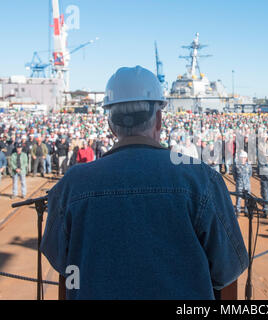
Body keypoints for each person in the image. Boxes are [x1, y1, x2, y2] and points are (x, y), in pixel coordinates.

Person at [40, 66, 248, 299]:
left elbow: (60, 263)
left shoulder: (73, 183)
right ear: (158, 119)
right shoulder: (201, 179)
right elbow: (228, 269)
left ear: (110, 125)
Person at [232, 150, 252, 216]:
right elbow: (234, 174)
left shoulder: (249, 165)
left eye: (244, 157)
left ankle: (246, 210)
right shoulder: (236, 165)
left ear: (246, 158)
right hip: (239, 184)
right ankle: (238, 210)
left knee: (247, 198)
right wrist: (237, 180)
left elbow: (250, 174)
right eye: (242, 157)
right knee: (238, 198)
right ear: (240, 158)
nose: (243, 159)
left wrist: (246, 180)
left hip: (247, 185)